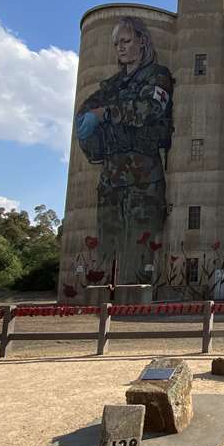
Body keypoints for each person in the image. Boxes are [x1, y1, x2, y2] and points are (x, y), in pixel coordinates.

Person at [75, 16, 173, 284]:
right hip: (110, 177)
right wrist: (88, 127)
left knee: (140, 246)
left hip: (143, 178)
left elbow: (147, 110)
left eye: (126, 41)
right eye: (116, 43)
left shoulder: (157, 76)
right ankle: (102, 295)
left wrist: (106, 113)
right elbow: (84, 111)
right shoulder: (113, 85)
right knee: (106, 245)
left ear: (142, 41)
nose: (120, 47)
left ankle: (137, 297)